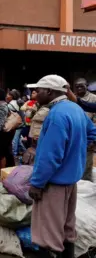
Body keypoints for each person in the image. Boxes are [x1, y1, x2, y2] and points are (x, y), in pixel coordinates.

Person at [27, 75, 96, 258]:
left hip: (54, 183)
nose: (35, 94)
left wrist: (37, 183)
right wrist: (77, 149)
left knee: (47, 236)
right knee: (67, 229)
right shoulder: (75, 109)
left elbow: (50, 156)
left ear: (49, 92)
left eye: (39, 90)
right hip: (71, 182)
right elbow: (92, 132)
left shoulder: (57, 115)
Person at [74, 78, 96, 182]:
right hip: (75, 133)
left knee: (87, 159)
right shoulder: (73, 98)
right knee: (76, 159)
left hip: (89, 133)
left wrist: (94, 138)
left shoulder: (93, 98)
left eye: (81, 86)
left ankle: (87, 181)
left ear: (87, 86)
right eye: (77, 86)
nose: (79, 88)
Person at [7, 90, 26, 162]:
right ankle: (25, 151)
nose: (7, 96)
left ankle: (14, 155)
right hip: (21, 123)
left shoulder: (11, 104)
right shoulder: (18, 102)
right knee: (18, 140)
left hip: (16, 124)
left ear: (12, 96)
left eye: (8, 95)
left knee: (14, 141)